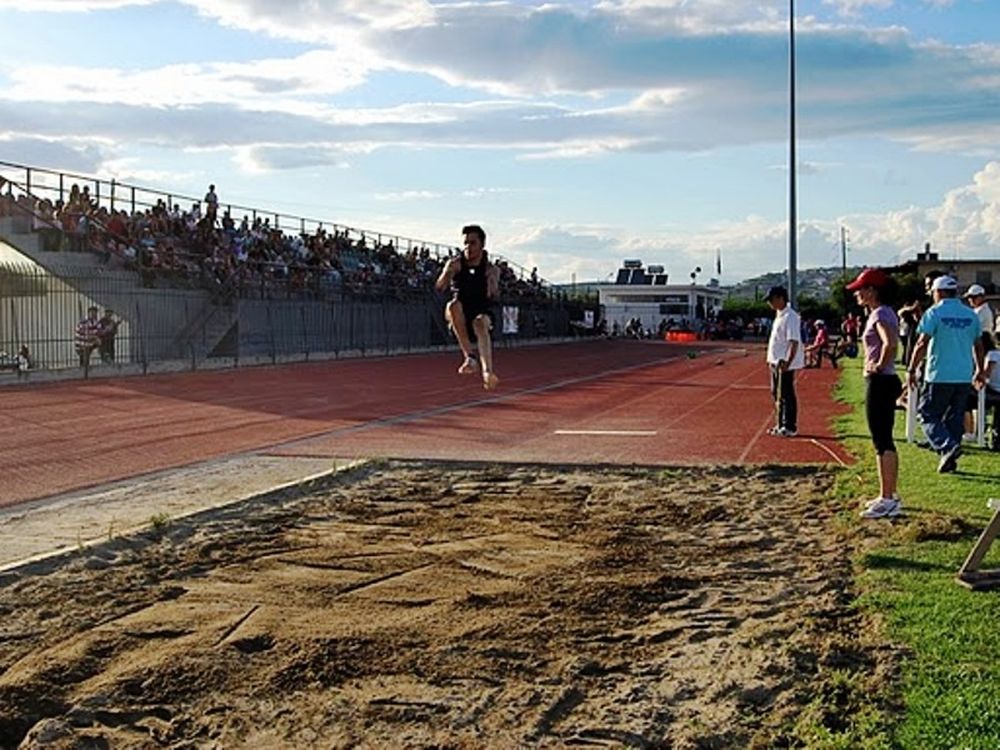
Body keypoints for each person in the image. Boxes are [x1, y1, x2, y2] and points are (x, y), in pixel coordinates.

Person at [907, 275, 984, 473]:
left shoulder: (934, 313)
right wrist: (980, 370)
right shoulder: (970, 315)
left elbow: (922, 342)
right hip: (963, 374)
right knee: (955, 418)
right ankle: (948, 459)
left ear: (938, 292)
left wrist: (912, 368)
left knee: (927, 415)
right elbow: (978, 345)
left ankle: (947, 447)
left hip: (939, 373)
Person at [846, 269, 903, 518]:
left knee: (882, 440)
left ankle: (888, 498)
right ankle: (887, 494)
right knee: (883, 439)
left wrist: (878, 365)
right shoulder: (884, 312)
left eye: (861, 289)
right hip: (884, 380)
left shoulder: (880, 313)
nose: (857, 294)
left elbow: (891, 343)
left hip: (881, 381)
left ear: (872, 291)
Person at [434, 224, 500, 390]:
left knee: (479, 322)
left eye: (472, 243)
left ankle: (487, 372)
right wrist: (447, 273)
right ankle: (470, 357)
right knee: (452, 305)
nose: (468, 247)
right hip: (460, 317)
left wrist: (492, 284)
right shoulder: (456, 264)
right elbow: (440, 287)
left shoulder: (491, 269)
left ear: (482, 245)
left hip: (482, 313)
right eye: (465, 243)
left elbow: (494, 296)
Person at [765, 285, 805, 437]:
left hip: (784, 362)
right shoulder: (779, 315)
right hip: (775, 361)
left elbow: (793, 341)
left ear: (781, 298)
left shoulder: (791, 316)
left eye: (772, 300)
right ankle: (780, 424)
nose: (770, 303)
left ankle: (790, 426)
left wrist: (788, 362)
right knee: (776, 393)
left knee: (786, 394)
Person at [964, 283, 995, 351]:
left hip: (983, 340)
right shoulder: (977, 310)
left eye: (973, 297)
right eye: (969, 297)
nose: (970, 300)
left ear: (981, 297)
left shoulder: (983, 311)